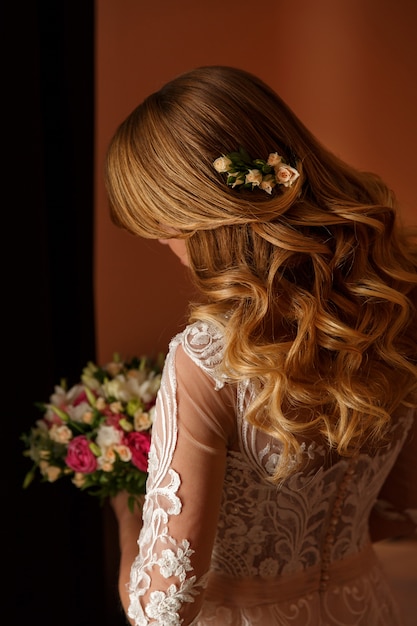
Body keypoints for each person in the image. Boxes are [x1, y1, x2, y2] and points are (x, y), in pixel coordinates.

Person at [105, 66, 417, 626]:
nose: (157, 239)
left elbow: (160, 610)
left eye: (162, 220)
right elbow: (399, 511)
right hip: (367, 608)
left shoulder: (204, 359)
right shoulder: (396, 301)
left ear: (203, 210)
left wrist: (130, 513)